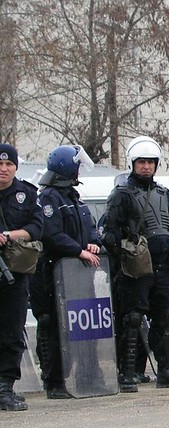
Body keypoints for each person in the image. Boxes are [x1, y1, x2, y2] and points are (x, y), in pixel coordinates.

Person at [104, 136, 169, 392]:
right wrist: (129, 254)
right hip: (136, 268)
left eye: (150, 162)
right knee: (132, 318)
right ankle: (128, 372)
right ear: (133, 163)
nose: (146, 166)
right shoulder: (121, 195)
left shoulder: (164, 194)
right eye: (141, 162)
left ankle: (166, 371)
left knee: (163, 318)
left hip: (163, 266)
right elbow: (110, 233)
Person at [30, 145, 101, 399]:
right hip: (50, 273)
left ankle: (87, 374)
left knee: (81, 324)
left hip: (74, 276)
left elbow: (90, 227)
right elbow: (51, 234)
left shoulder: (73, 197)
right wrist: (78, 251)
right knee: (50, 324)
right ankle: (54, 380)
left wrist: (93, 243)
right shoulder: (49, 197)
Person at [0, 143, 43, 411]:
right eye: (0, 165)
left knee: (12, 332)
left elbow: (37, 227)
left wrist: (8, 236)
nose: (3, 169)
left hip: (14, 273)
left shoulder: (25, 194)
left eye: (8, 165)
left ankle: (5, 386)